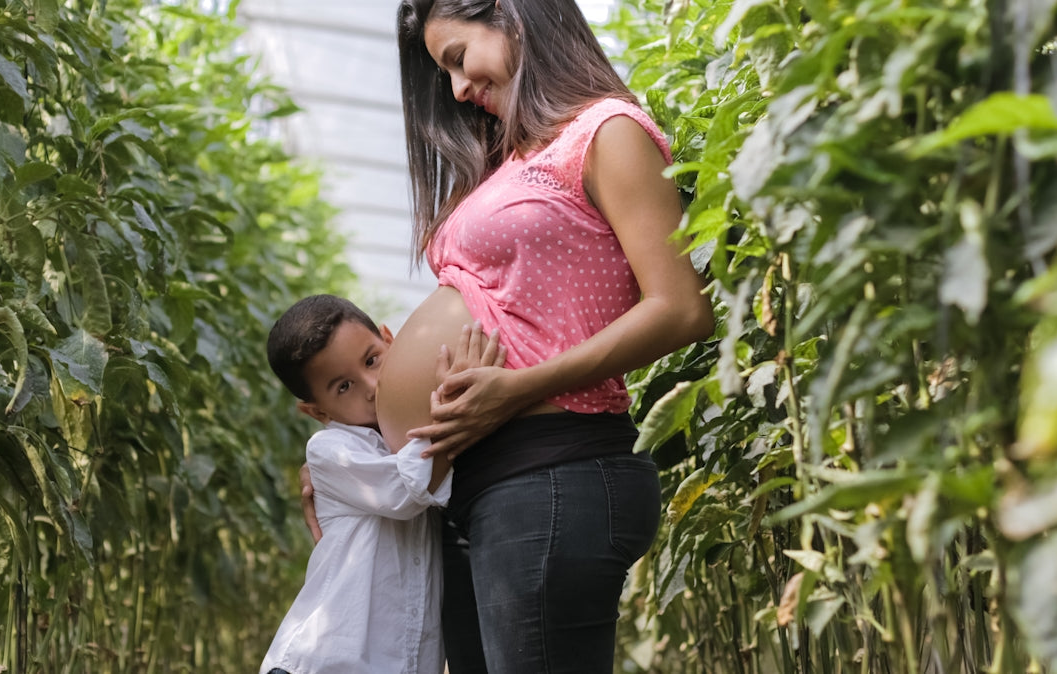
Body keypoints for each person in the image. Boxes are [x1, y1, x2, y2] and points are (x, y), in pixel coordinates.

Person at [303, 0, 716, 671]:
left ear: (511, 14)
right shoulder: (514, 159)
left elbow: (681, 309)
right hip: (481, 486)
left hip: (552, 469)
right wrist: (358, 460)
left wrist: (516, 389)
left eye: (459, 60)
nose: (459, 89)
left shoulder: (606, 131)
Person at [260, 294, 503, 674]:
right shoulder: (330, 450)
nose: (371, 386)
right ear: (318, 412)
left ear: (392, 341)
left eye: (372, 359)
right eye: (344, 387)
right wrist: (458, 397)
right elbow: (408, 488)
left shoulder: (402, 440)